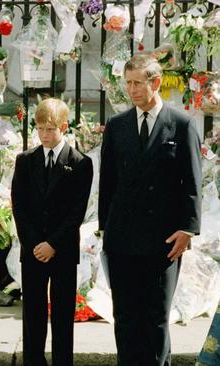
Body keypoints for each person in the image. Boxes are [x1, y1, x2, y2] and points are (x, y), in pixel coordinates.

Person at [98, 53, 202, 366]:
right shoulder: (117, 126)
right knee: (126, 317)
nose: (132, 90)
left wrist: (188, 228)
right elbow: (108, 184)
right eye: (127, 83)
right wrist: (105, 230)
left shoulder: (180, 124)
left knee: (156, 318)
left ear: (155, 83)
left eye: (137, 83)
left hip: (164, 240)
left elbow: (193, 180)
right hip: (122, 240)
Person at [11, 98, 93, 366]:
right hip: (33, 248)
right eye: (40, 129)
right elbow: (19, 206)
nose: (44, 135)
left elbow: (76, 212)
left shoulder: (80, 163)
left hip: (63, 249)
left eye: (50, 129)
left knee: (62, 316)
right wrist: (35, 243)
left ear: (64, 127)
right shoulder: (25, 160)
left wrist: (53, 244)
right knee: (33, 315)